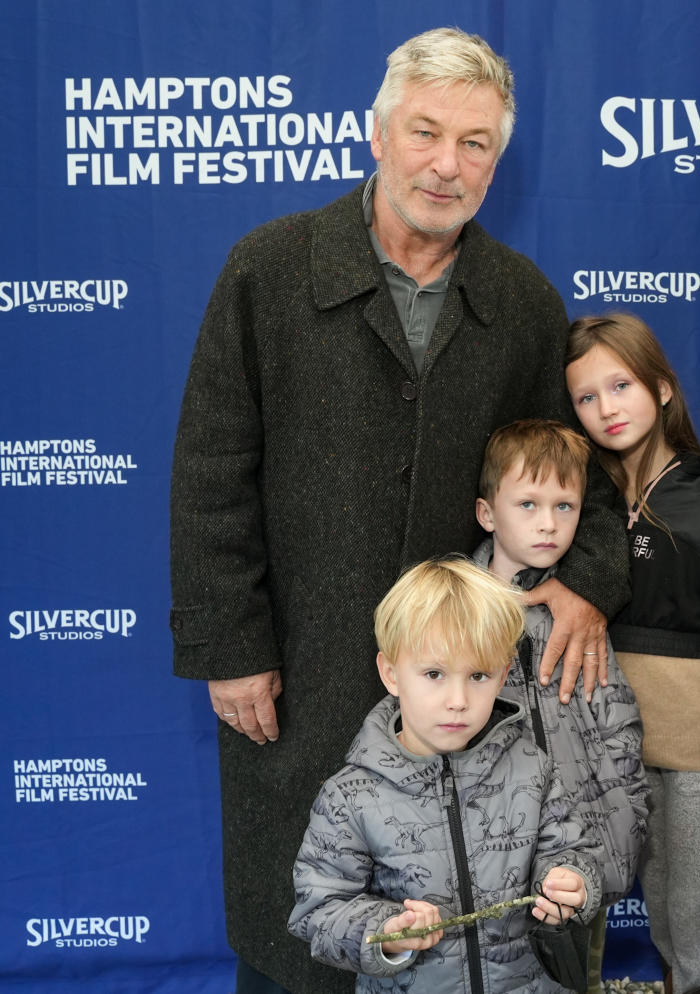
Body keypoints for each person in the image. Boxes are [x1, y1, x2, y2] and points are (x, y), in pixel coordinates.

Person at [169, 28, 628, 994]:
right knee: (296, 932)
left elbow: (570, 470)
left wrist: (584, 581)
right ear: (377, 134)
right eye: (425, 132)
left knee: (451, 934)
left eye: (474, 145)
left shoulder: (521, 299)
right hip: (296, 668)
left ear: (499, 163)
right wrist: (230, 646)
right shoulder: (270, 267)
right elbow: (212, 471)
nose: (445, 164)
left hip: (458, 692)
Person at [288, 557, 602, 993]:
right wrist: (388, 932)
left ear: (504, 673)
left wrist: (574, 883)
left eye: (478, 675)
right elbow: (318, 911)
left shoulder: (534, 767)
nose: (458, 700)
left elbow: (574, 850)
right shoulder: (349, 797)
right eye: (434, 674)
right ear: (391, 673)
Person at [566, 313, 700, 994]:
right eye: (586, 397)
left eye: (620, 385)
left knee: (698, 914)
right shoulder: (579, 501)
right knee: (656, 908)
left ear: (664, 389)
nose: (606, 408)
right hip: (611, 740)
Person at [472, 418, 648, 992]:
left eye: (565, 506)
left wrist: (604, 849)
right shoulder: (457, 611)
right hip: (482, 867)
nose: (548, 523)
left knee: (577, 978)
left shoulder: (580, 617)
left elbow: (618, 736)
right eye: (528, 503)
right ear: (487, 513)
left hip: (573, 867)